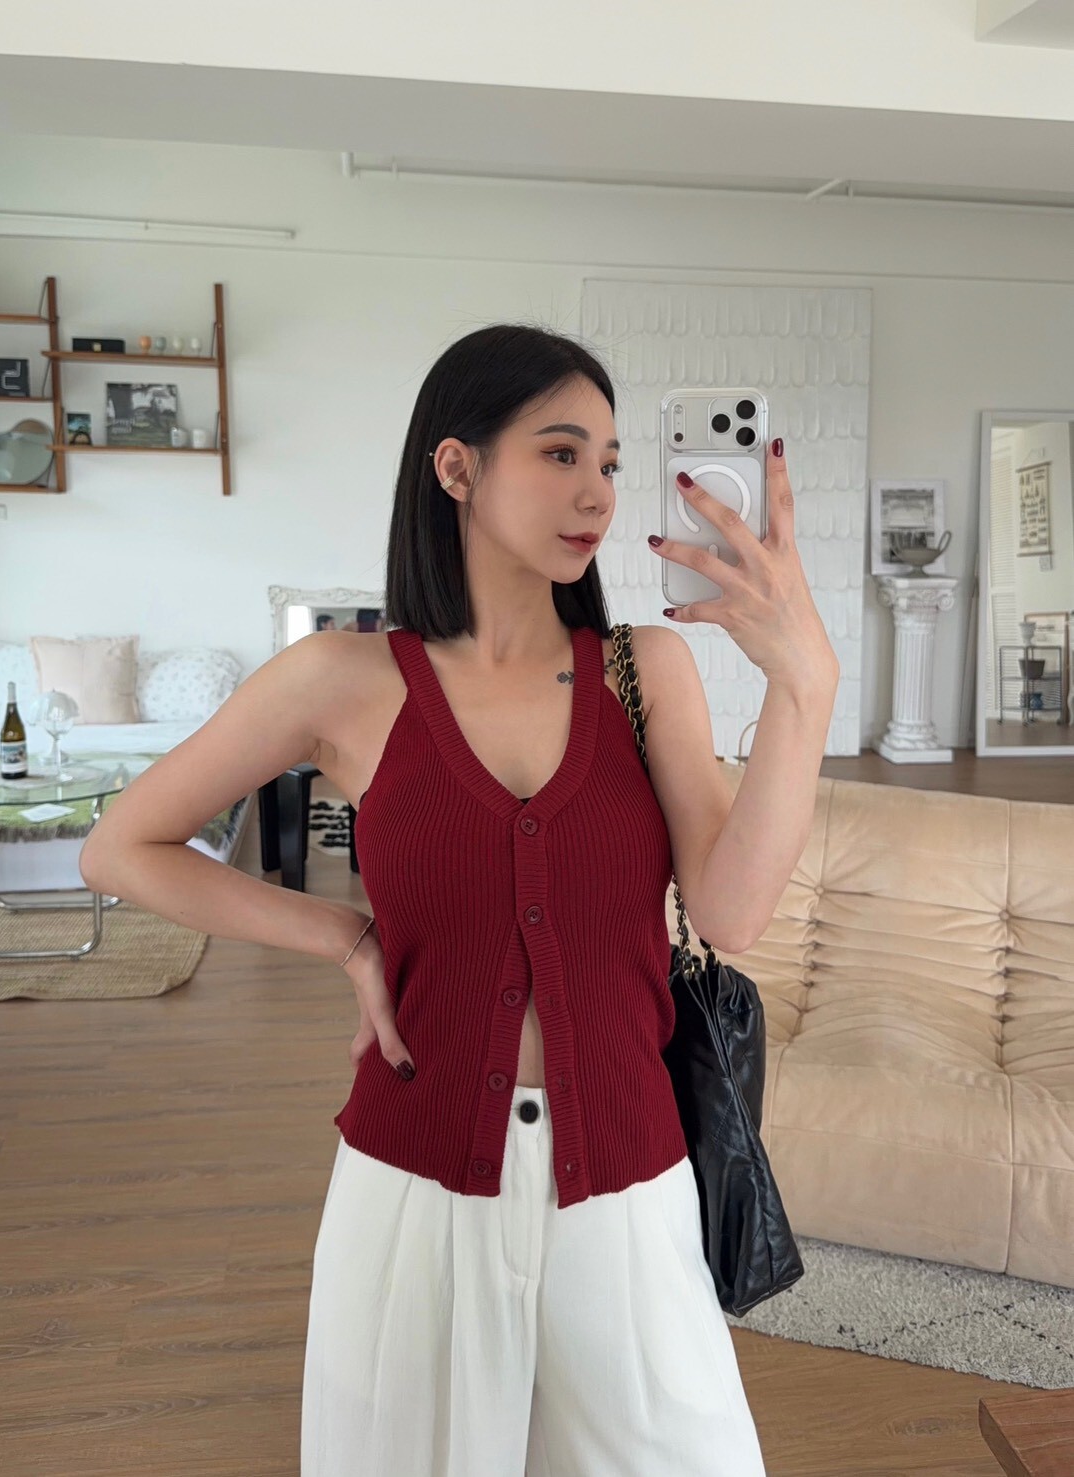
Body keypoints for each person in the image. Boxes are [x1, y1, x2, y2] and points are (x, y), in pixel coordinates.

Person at [79, 321, 838, 1475]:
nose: (597, 491)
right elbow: (121, 846)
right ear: (456, 466)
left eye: (610, 461)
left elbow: (730, 917)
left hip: (627, 1187)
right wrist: (341, 935)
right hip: (414, 1194)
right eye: (560, 453)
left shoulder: (646, 671)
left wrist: (804, 684)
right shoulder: (341, 681)